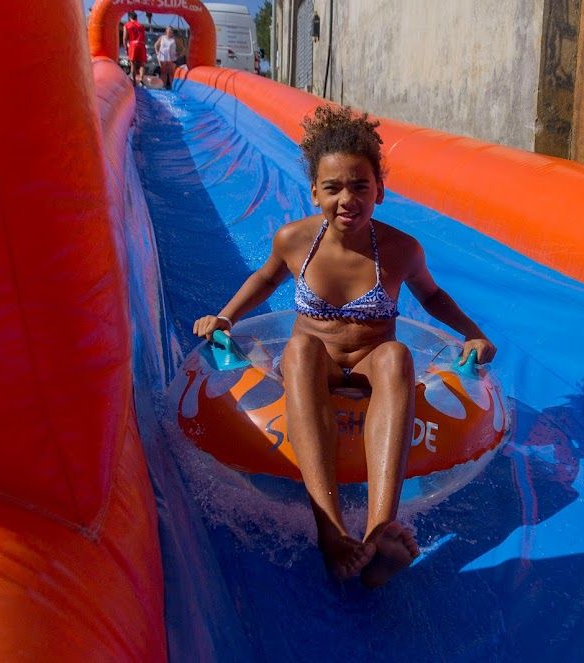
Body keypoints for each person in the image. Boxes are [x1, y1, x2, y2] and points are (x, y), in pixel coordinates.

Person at [192, 106, 496, 587]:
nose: (346, 199)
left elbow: (433, 297)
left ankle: (380, 531)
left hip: (371, 360)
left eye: (359, 185)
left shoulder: (400, 250)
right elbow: (264, 278)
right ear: (315, 191)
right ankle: (330, 530)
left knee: (398, 356)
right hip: (316, 364)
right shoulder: (294, 240)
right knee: (299, 349)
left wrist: (472, 333)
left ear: (380, 189)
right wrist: (225, 316)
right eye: (332, 187)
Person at [122, 12, 146, 87]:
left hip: (133, 44)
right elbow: (144, 37)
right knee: (142, 64)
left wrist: (126, 47)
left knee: (133, 64)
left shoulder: (127, 25)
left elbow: (125, 38)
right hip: (141, 44)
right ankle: (141, 80)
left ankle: (134, 81)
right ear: (136, 18)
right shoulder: (141, 26)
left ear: (129, 18)